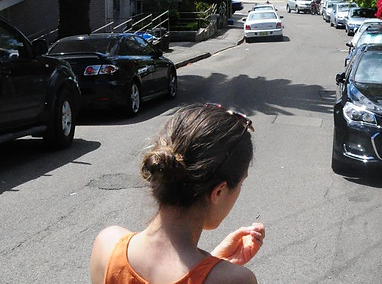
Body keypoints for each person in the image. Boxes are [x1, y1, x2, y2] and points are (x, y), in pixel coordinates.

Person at [90, 103, 266, 284]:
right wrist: (213, 269)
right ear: (219, 192)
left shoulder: (107, 246)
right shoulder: (235, 280)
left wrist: (213, 264)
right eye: (240, 184)